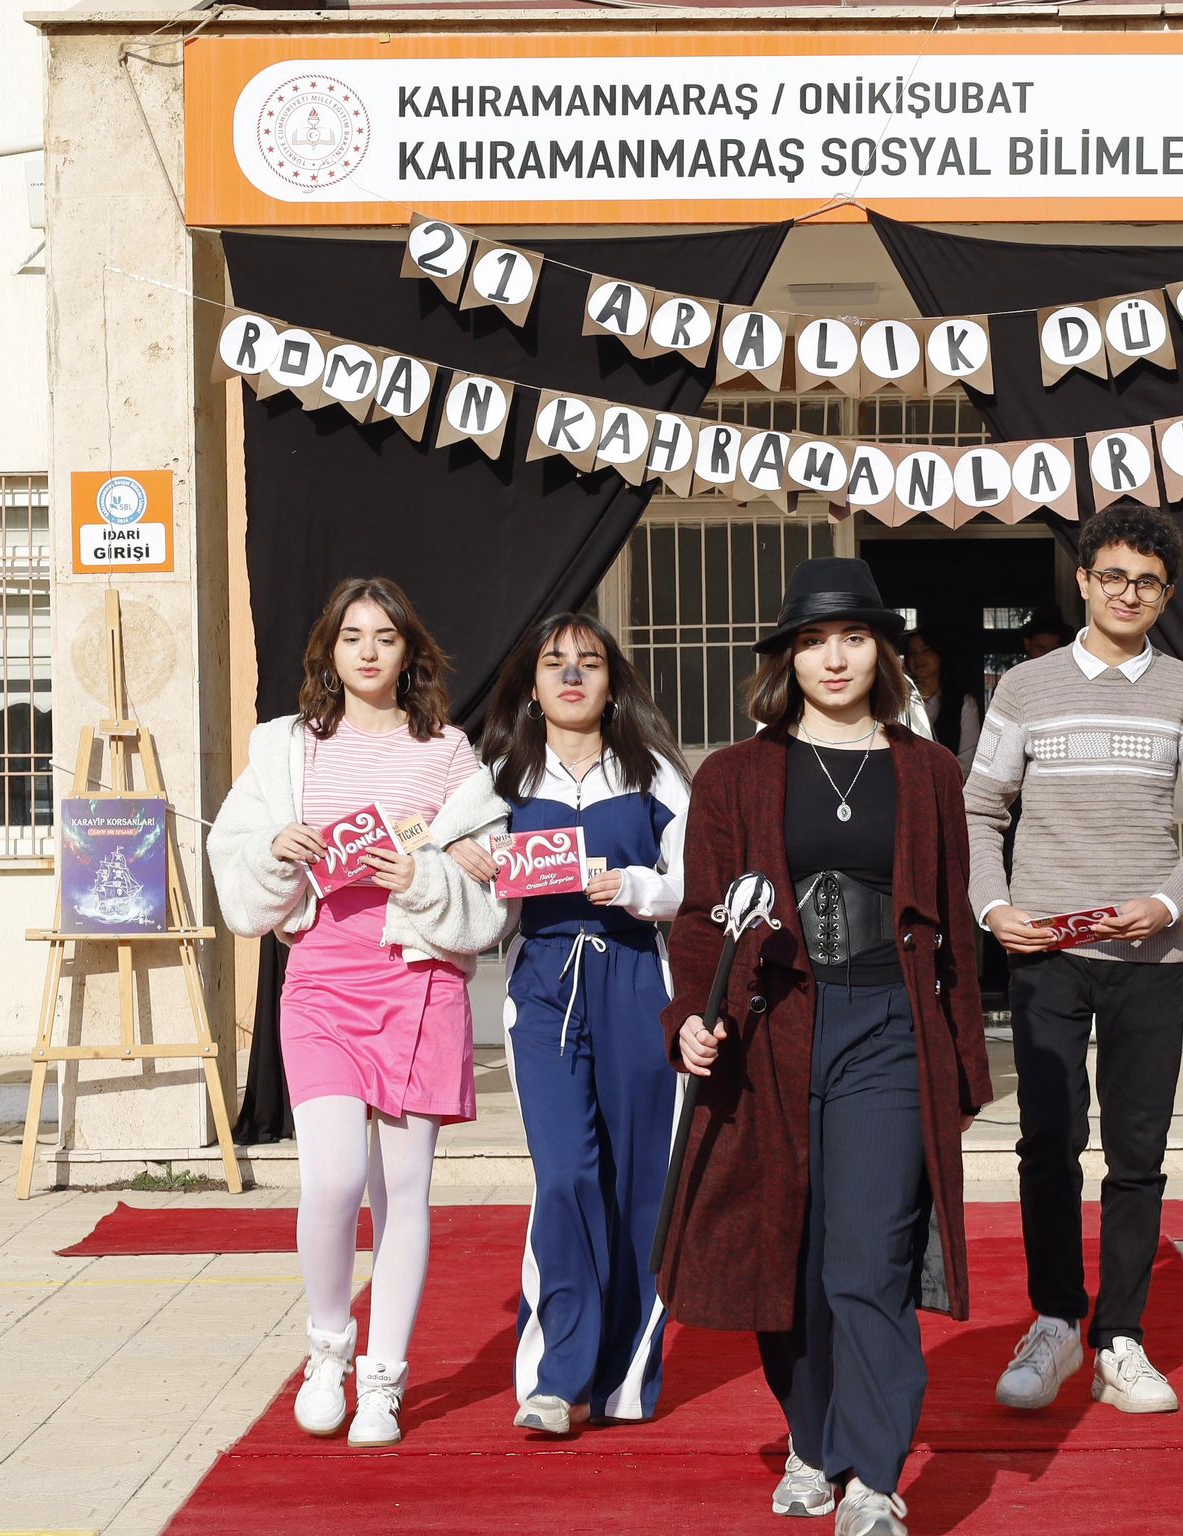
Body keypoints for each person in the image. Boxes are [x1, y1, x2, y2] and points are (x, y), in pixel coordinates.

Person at [654, 557, 992, 1536]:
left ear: (882, 650)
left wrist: (964, 1064)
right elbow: (700, 918)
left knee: (867, 1258)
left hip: (889, 1029)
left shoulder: (929, 771)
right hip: (772, 1034)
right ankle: (814, 1439)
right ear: (787, 659)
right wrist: (687, 1019)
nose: (833, 658)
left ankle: (876, 1480)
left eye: (852, 638)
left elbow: (954, 928)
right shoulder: (734, 774)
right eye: (811, 641)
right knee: (788, 1258)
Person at [208, 577, 508, 1447]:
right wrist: (275, 848)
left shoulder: (449, 753)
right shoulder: (286, 748)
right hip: (321, 978)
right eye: (352, 636)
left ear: (409, 652)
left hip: (418, 981)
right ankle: (328, 1349)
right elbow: (234, 850)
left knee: (403, 1191)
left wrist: (426, 874)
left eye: (384, 636)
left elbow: (490, 875)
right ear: (329, 651)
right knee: (333, 1179)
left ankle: (384, 1379)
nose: (368, 651)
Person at [967, 506, 1183, 1417]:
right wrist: (992, 908)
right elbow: (980, 810)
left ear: (1168, 595)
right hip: (1047, 955)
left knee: (1137, 1154)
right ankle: (1055, 1320)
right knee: (1048, 1145)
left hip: (1148, 958)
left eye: (1148, 583)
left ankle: (1120, 1338)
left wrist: (1167, 901)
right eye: (1114, 576)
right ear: (1084, 579)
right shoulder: (1025, 689)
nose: (1129, 594)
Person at [475, 614, 692, 1435]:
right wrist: (474, 869)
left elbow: (698, 881)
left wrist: (638, 887)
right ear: (531, 685)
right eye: (555, 663)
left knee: (642, 1180)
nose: (572, 675)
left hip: (637, 978)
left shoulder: (653, 773)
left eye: (589, 662)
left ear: (613, 681)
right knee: (564, 1173)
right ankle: (556, 1377)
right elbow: (471, 899)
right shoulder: (498, 779)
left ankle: (626, 1377)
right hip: (542, 985)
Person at [903, 625, 982, 779]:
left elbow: (966, 761)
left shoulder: (964, 703)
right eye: (912, 653)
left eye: (926, 650)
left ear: (940, 655)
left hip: (949, 785)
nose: (918, 658)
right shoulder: (902, 702)